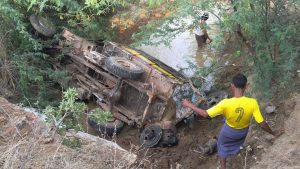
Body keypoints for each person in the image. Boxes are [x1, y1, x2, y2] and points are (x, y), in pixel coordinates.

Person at [181, 73, 283, 169]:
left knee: (222, 146)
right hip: (243, 132)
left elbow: (204, 114)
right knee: (235, 141)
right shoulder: (252, 103)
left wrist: (189, 105)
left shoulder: (225, 103)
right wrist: (274, 133)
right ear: (246, 86)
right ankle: (236, 150)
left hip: (229, 132)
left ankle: (223, 167)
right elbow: (262, 123)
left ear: (232, 86)